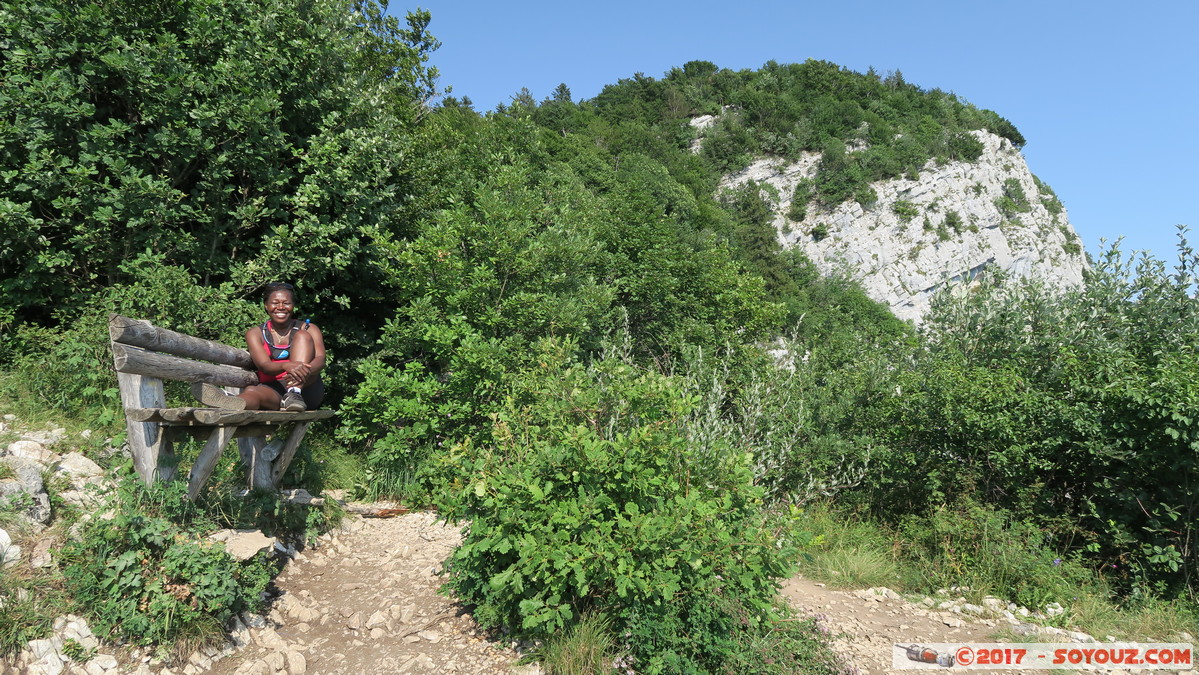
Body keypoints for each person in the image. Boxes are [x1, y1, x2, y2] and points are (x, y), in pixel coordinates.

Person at [191, 282, 326, 411]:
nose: (280, 307)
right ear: (266, 305)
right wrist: (286, 365)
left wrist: (304, 370)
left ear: (293, 305)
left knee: (302, 336)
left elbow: (320, 359)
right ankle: (230, 400)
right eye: (275, 303)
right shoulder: (255, 334)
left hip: (306, 388)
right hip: (275, 388)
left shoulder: (309, 328)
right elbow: (264, 366)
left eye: (286, 303)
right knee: (253, 392)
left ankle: (294, 393)